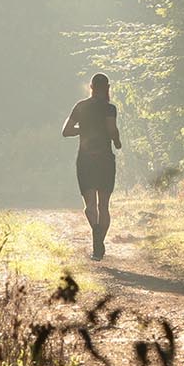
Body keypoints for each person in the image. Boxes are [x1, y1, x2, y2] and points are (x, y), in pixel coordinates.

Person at [62, 73, 122, 259]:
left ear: (91, 87)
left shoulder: (80, 107)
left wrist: (85, 128)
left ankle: (96, 235)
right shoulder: (109, 108)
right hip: (104, 159)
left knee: (89, 205)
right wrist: (117, 142)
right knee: (104, 206)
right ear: (108, 87)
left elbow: (66, 131)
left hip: (85, 159)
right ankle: (99, 242)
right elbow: (112, 129)